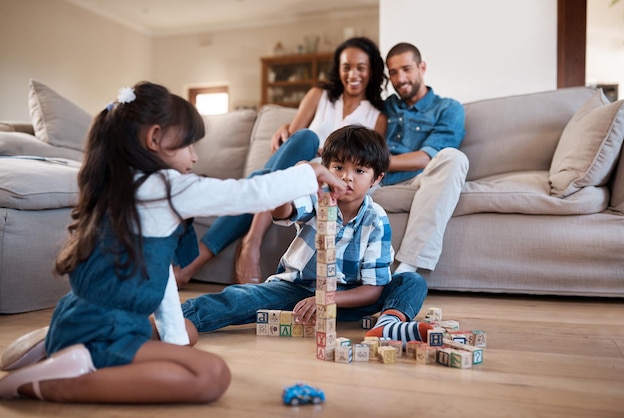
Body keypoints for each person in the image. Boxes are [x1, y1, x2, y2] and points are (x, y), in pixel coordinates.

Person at [0, 82, 346, 403]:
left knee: (186, 333)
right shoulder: (164, 187)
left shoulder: (121, 187)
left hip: (85, 316)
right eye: (188, 145)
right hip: (108, 330)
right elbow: (246, 195)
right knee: (211, 376)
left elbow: (159, 275)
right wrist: (309, 173)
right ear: (155, 139)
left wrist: (175, 340)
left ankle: (61, 343)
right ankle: (52, 383)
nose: (194, 157)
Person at [182, 125, 434, 348]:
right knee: (241, 297)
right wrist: (294, 180)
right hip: (297, 291)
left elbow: (372, 289)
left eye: (359, 170)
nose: (346, 177)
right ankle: (174, 319)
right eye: (338, 168)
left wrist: (326, 299)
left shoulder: (376, 219)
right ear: (327, 169)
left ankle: (389, 324)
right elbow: (283, 210)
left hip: (349, 301)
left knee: (411, 281)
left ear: (377, 178)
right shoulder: (317, 197)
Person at [175, 36, 388, 287]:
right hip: (297, 167)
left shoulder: (378, 114)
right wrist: (297, 140)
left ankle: (233, 248)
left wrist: (329, 156)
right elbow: (294, 140)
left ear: (372, 70)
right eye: (346, 67)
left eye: (360, 67)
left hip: (326, 175)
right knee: (306, 137)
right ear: (338, 69)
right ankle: (250, 241)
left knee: (258, 179)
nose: (353, 74)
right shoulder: (319, 95)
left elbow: (369, 157)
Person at [376, 42, 468, 274]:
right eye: (393, 72)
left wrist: (377, 161)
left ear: (422, 67)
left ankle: (407, 268)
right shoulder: (384, 108)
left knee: (454, 158)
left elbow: (427, 158)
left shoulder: (448, 108)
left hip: (422, 179)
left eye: (406, 69)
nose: (400, 78)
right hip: (374, 178)